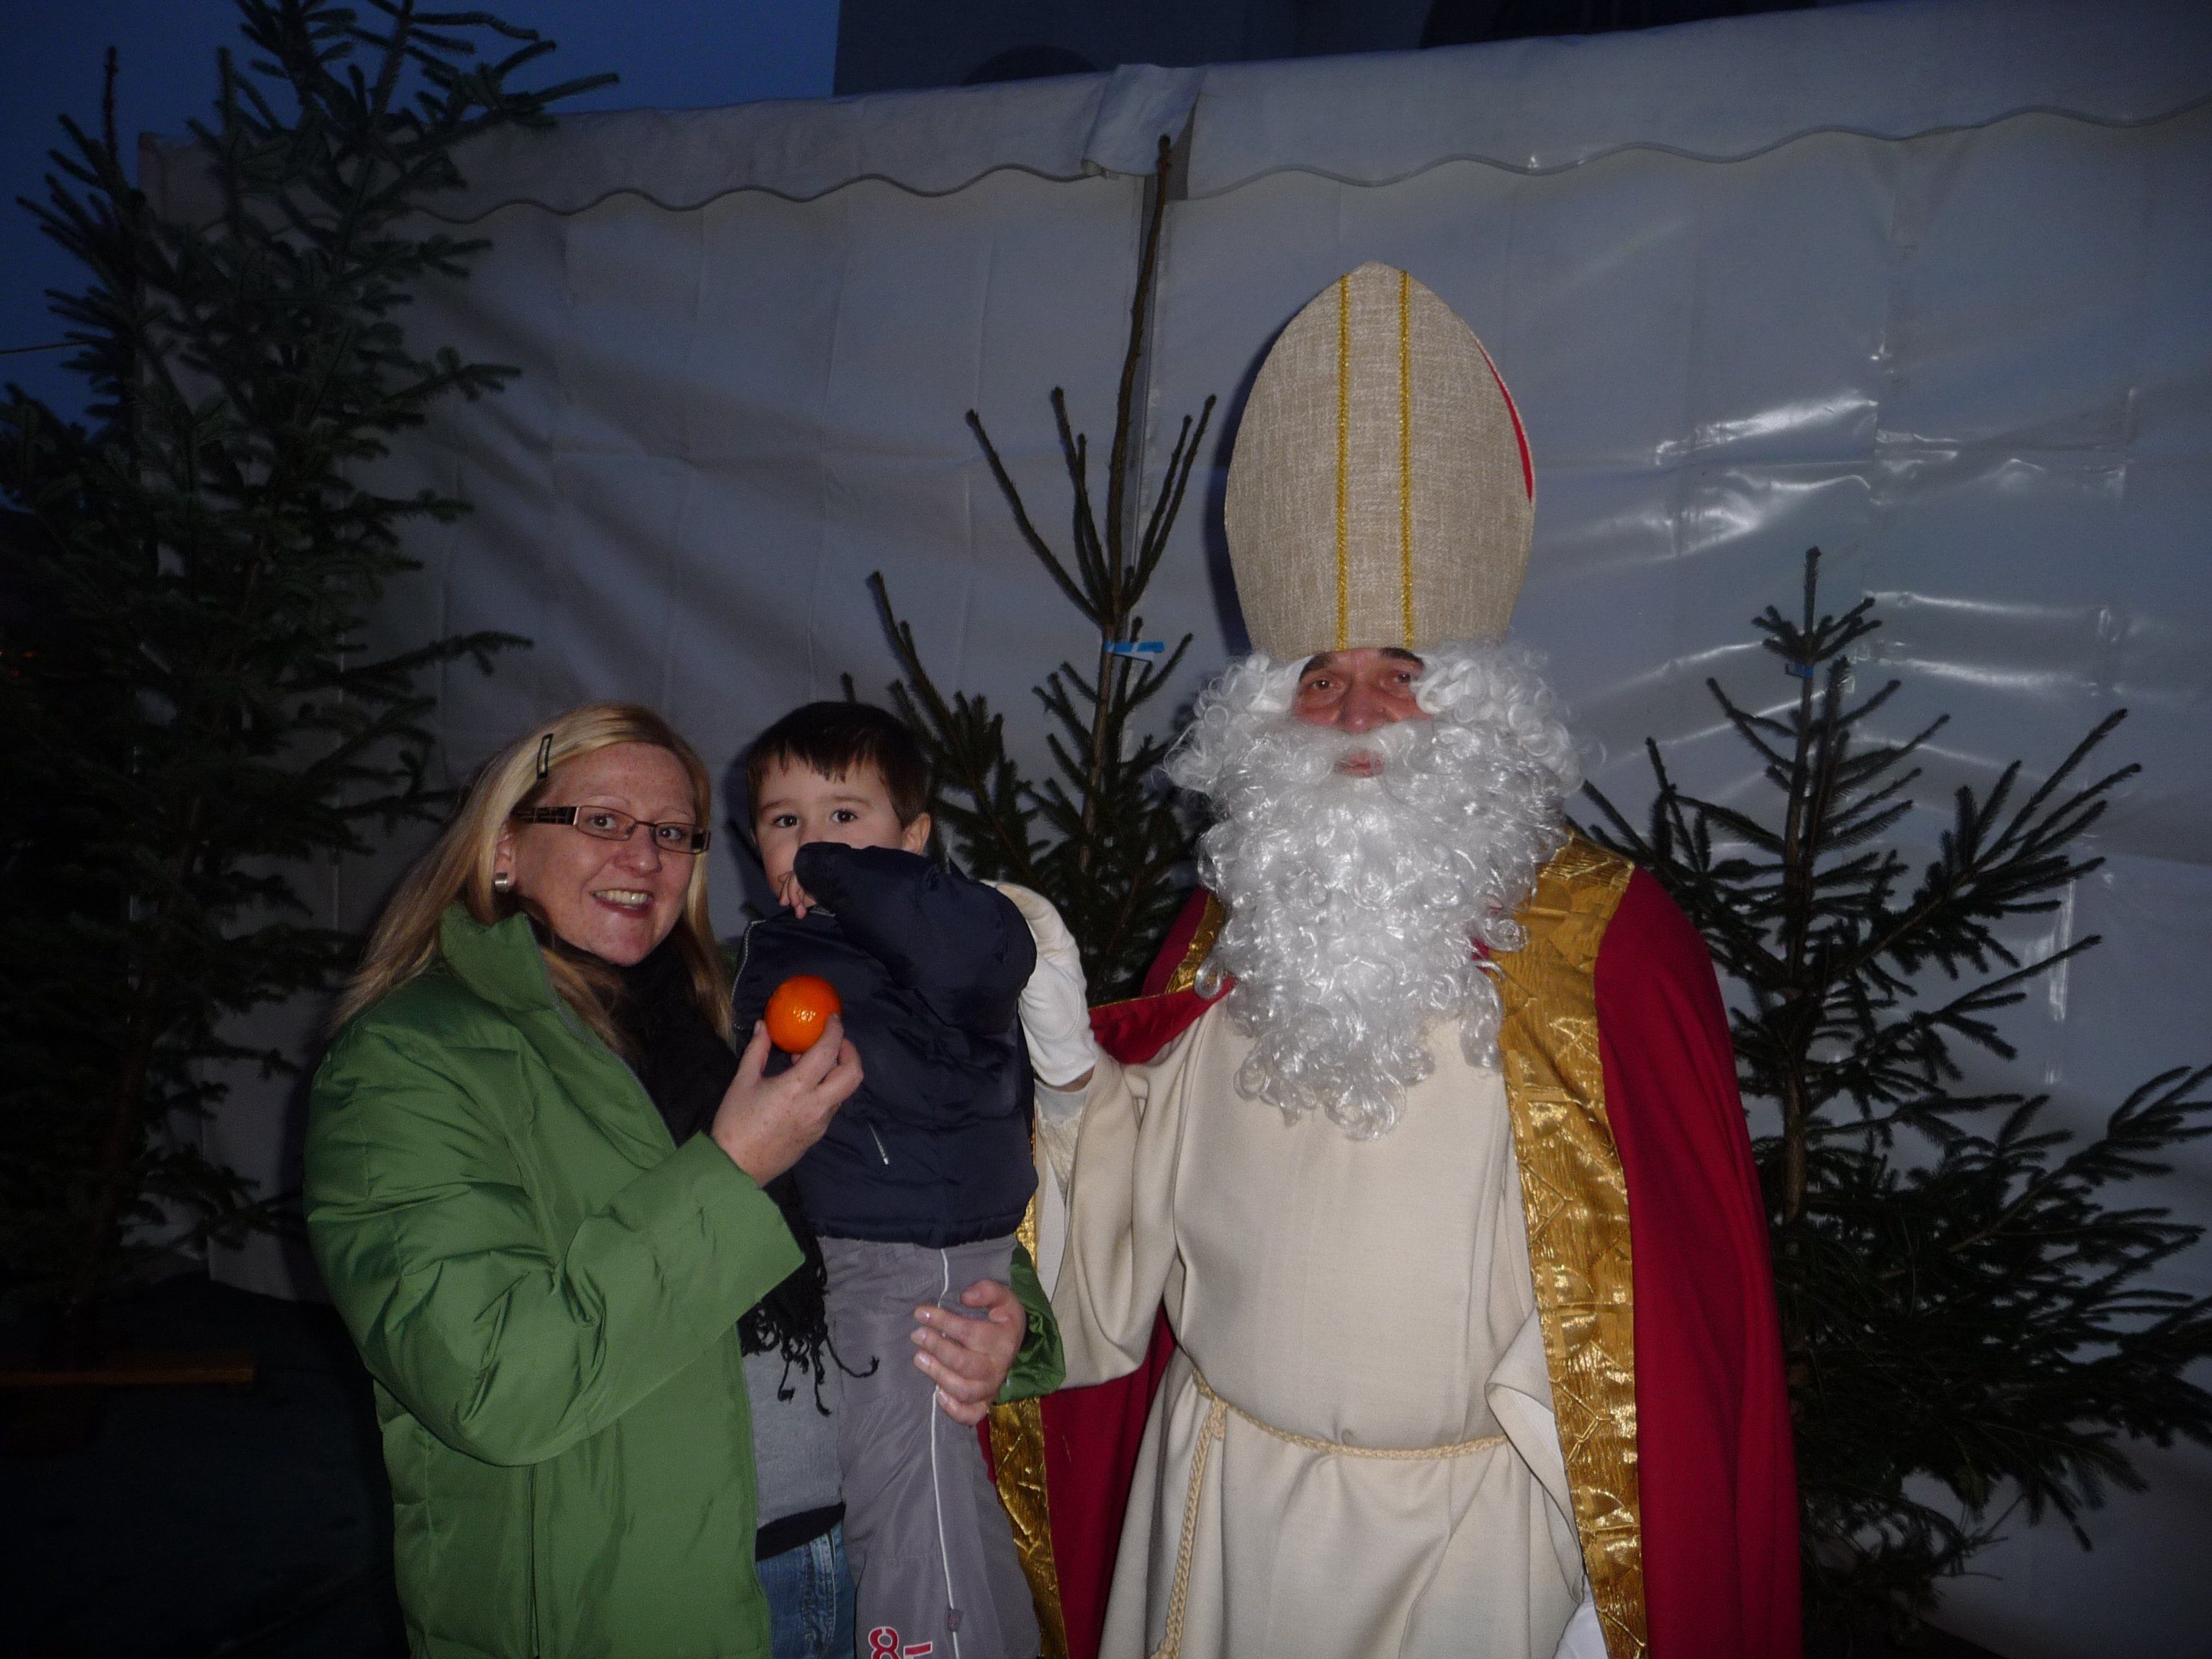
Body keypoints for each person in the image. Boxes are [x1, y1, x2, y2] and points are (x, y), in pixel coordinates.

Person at [1022, 265, 1800, 1659]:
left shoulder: (1606, 944)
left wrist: (1603, 1595)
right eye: (1319, 677)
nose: (1356, 711)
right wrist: (1075, 1082)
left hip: (1475, 1543)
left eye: (1400, 670)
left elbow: (1659, 1325)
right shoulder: (1231, 927)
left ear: (1475, 703)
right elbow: (1136, 1209)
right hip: (1215, 1504)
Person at [305, 703, 1041, 1659]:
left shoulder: (741, 1008)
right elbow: (492, 1383)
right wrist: (732, 1171)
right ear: (503, 848)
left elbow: (917, 1183)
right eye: (601, 821)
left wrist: (1002, 1329)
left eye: (671, 832)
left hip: (863, 1550)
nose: (642, 855)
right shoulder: (407, 1060)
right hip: (647, 1598)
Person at [734, 701, 1047, 1659]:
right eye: (786, 821)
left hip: (907, 1246)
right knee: (940, 1496)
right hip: (866, 1239)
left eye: (844, 815)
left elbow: (987, 952)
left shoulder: (931, 931)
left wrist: (836, 870)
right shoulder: (788, 947)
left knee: (904, 1505)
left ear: (913, 837)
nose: (812, 841)